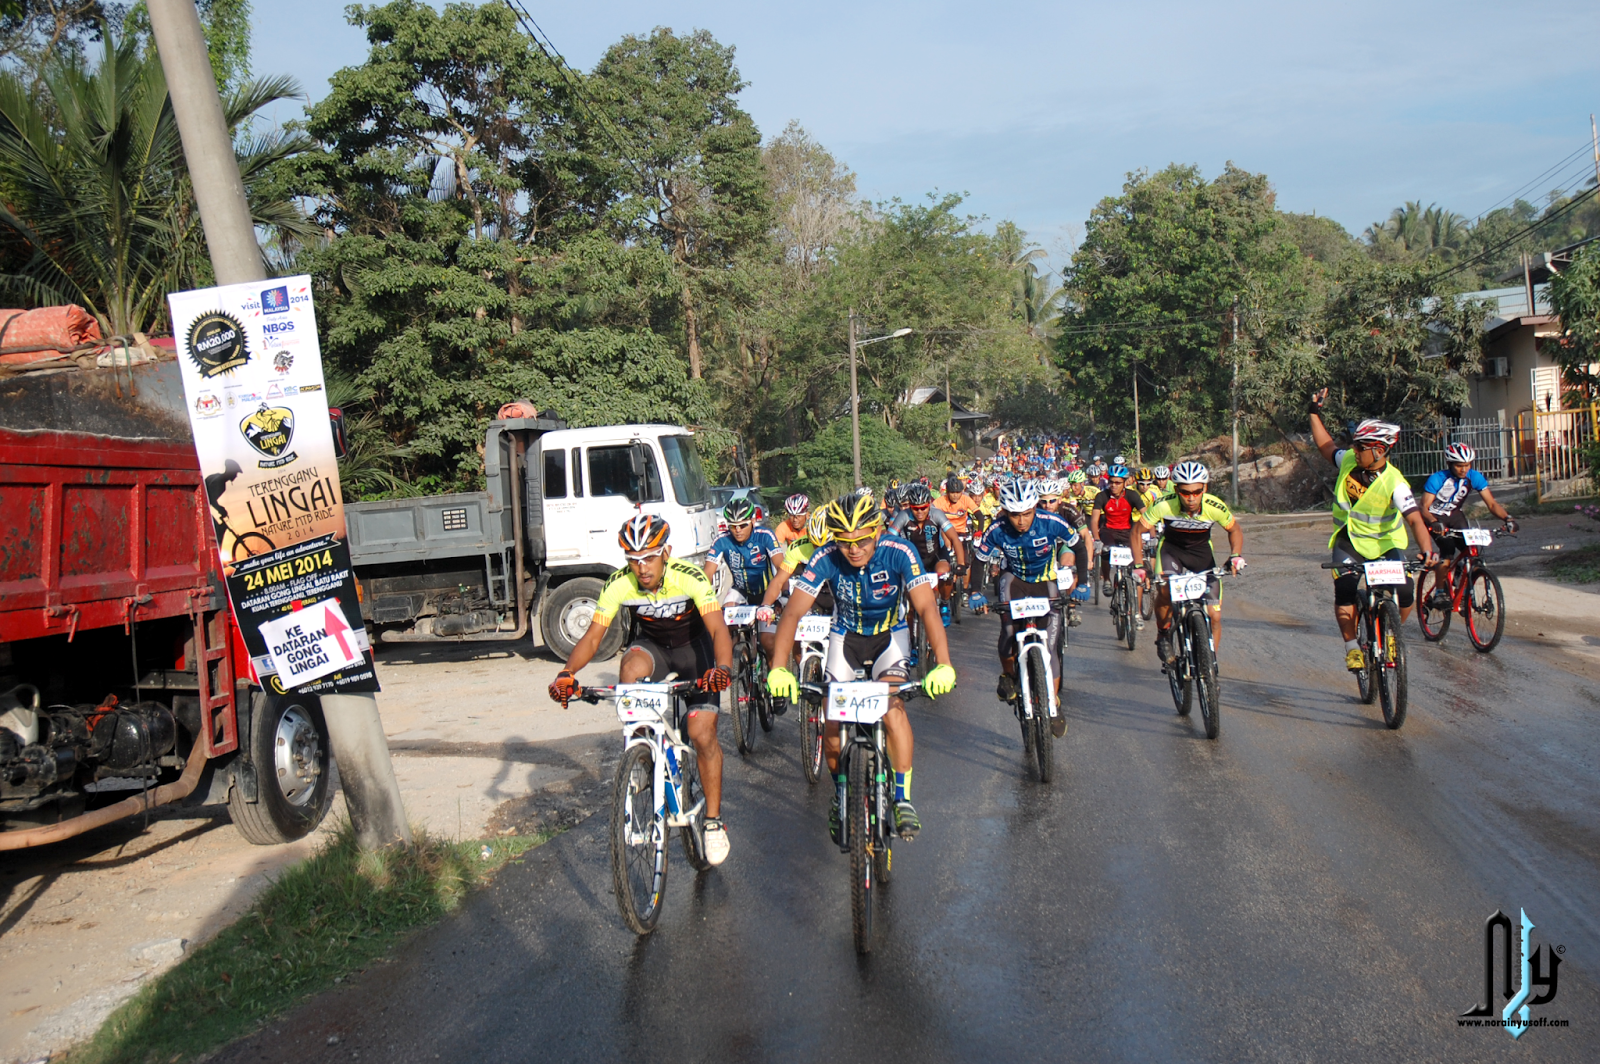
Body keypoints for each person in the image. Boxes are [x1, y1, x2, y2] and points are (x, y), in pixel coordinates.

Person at [766, 491, 956, 841]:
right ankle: (841, 794)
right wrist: (779, 668)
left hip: (889, 636)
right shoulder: (825, 556)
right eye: (844, 542)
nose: (853, 549)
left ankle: (901, 796)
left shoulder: (900, 552)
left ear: (878, 532)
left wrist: (942, 664)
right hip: (846, 638)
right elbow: (792, 613)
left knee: (891, 707)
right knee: (833, 722)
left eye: (862, 540)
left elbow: (928, 609)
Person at [549, 515, 736, 865]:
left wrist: (722, 668)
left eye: (648, 557)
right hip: (653, 648)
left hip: (696, 649)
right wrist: (567, 672)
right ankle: (641, 749)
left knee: (701, 732)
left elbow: (717, 628)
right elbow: (592, 636)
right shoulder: (620, 583)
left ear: (666, 552)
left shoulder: (689, 576)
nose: (641, 567)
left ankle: (712, 822)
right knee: (630, 669)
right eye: (633, 559)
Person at [1308, 389, 1437, 672]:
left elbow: (1415, 519)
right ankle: (1352, 647)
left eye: (1360, 447)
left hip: (1384, 544)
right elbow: (1326, 446)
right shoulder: (1349, 462)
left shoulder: (1395, 483)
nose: (1354, 450)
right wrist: (1313, 412)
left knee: (1404, 592)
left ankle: (1391, 633)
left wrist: (1427, 550)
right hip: (1349, 540)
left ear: (1378, 450)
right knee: (1344, 590)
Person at [975, 480, 1081, 737]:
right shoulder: (997, 529)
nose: (1021, 521)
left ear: (1035, 507)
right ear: (1004, 511)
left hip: (1046, 581)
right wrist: (975, 592)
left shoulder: (1051, 521)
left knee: (1050, 647)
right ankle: (1008, 675)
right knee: (1008, 633)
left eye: (1026, 513)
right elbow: (980, 560)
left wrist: (1084, 583)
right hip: (1015, 581)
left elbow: (1077, 545)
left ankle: (1052, 704)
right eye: (1014, 514)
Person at [1130, 462, 1245, 663]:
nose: (1191, 498)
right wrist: (1139, 566)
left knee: (1215, 616)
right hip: (1172, 553)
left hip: (1202, 557)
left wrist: (1235, 555)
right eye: (1185, 493)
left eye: (1197, 491)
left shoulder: (1214, 506)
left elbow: (1234, 530)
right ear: (1176, 490)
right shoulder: (1164, 504)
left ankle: (1210, 666)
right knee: (1164, 590)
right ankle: (1163, 634)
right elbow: (1136, 531)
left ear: (1205, 488)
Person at [1420, 443, 1518, 602]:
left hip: (1455, 515)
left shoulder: (1474, 477)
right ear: (1449, 464)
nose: (1464, 469)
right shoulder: (1437, 478)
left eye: (1467, 465)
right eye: (1459, 466)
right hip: (1435, 517)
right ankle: (1439, 592)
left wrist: (1508, 519)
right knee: (1448, 550)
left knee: (1472, 551)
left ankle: (1463, 583)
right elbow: (1423, 507)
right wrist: (1433, 522)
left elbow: (1492, 504)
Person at [704, 497, 782, 658]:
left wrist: (783, 595)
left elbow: (782, 569)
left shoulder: (765, 535)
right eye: (732, 526)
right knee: (724, 628)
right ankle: (730, 671)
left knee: (768, 642)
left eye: (742, 525)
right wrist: (705, 600)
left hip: (767, 592)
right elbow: (707, 575)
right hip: (741, 591)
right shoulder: (721, 541)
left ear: (753, 520)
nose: (737, 530)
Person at [891, 482, 964, 626]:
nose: (920, 512)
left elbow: (954, 538)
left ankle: (944, 603)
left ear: (929, 505)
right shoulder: (903, 515)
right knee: (911, 605)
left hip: (936, 555)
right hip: (913, 558)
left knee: (944, 572)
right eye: (916, 508)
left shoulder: (936, 514)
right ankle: (913, 641)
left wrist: (961, 564)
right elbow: (890, 539)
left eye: (924, 508)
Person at [1090, 464, 1146, 618]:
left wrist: (1152, 536)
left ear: (1125, 483)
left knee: (1136, 563)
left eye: (1117, 483)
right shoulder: (1102, 496)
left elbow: (1146, 517)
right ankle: (1107, 579)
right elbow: (1095, 520)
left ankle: (1136, 611)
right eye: (1111, 482)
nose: (1113, 485)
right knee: (1105, 549)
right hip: (1109, 531)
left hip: (1128, 531)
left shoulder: (1133, 495)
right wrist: (1096, 539)